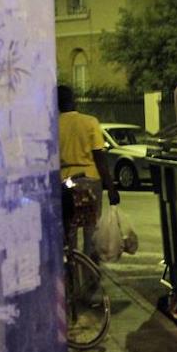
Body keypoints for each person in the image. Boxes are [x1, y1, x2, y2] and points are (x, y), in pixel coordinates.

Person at [57, 85, 120, 259]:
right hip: (90, 180)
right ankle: (90, 273)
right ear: (74, 101)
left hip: (64, 182)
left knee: (69, 229)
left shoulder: (52, 125)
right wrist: (111, 187)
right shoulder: (90, 122)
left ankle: (71, 271)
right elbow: (99, 157)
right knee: (91, 229)